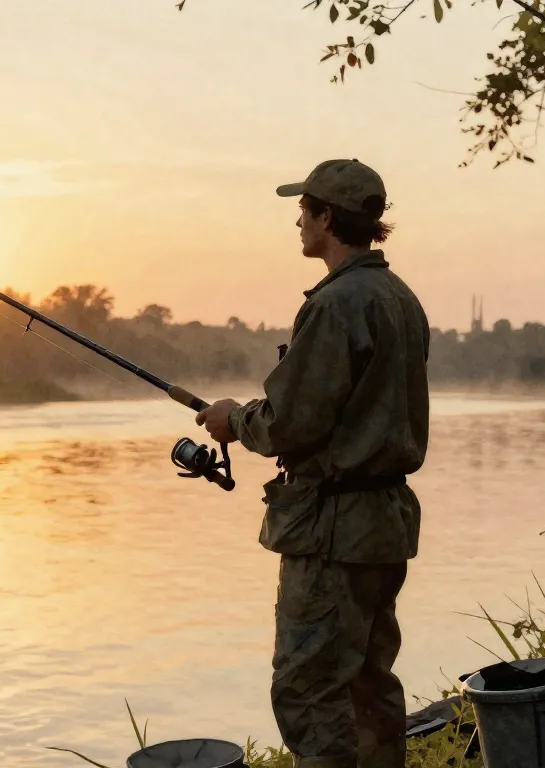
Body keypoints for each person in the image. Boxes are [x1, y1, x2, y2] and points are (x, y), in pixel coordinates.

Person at [195, 158, 430, 768]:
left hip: (333, 532)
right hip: (384, 525)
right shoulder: (400, 299)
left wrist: (233, 419)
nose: (297, 221)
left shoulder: (335, 305)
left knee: (309, 689)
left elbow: (289, 422)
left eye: (304, 210)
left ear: (327, 217)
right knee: (369, 682)